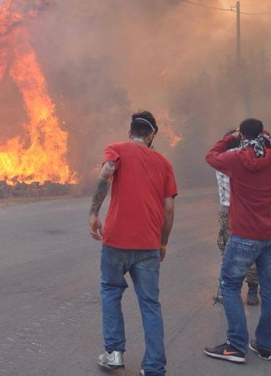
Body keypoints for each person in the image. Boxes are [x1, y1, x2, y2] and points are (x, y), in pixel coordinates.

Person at [89, 111, 178, 376]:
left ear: (130, 133)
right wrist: (162, 243)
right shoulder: (164, 163)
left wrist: (94, 213)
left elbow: (106, 173)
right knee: (150, 304)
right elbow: (169, 208)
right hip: (148, 245)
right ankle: (154, 367)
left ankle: (114, 354)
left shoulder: (117, 149)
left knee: (110, 291)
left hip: (116, 241)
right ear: (151, 136)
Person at [203, 119, 271, 364]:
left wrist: (231, 137)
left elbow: (211, 155)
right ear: (262, 135)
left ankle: (236, 346)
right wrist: (265, 134)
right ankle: (265, 346)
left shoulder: (235, 159)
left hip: (244, 237)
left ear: (242, 136)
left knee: (229, 286)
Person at [213, 130, 259, 306]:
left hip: (228, 211)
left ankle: (229, 291)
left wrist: (229, 138)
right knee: (251, 249)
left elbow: (213, 151)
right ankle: (253, 291)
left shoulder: (220, 161)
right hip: (248, 212)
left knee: (227, 251)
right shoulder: (248, 160)